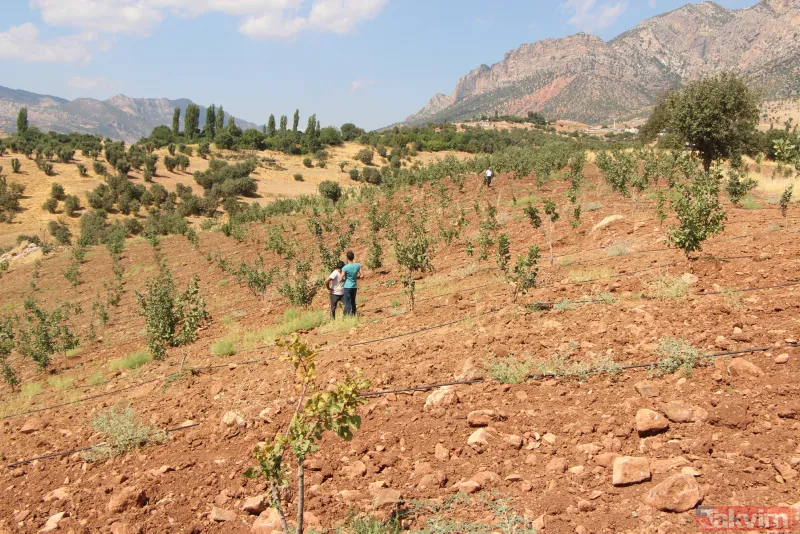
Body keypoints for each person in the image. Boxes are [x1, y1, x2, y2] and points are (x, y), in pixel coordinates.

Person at [341, 250, 362, 317]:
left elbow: (341, 278)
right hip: (354, 286)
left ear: (347, 258)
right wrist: (356, 277)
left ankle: (348, 316)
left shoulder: (345, 267)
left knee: (347, 303)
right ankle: (354, 314)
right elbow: (362, 275)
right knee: (353, 301)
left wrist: (345, 280)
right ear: (353, 257)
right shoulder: (358, 265)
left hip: (347, 287)